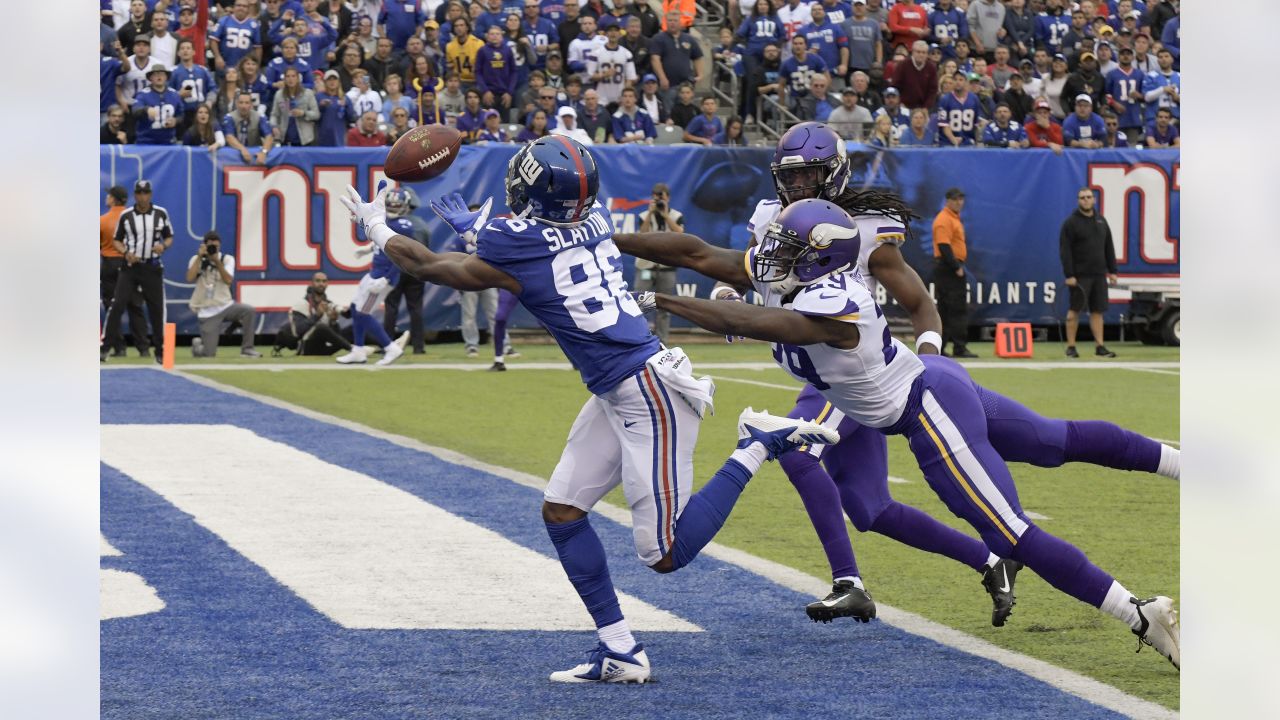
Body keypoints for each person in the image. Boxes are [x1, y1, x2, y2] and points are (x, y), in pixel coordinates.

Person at [340, 136, 837, 683]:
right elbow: (526, 244)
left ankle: (755, 445)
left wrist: (379, 228)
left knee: (665, 553)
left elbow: (433, 265)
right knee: (561, 510)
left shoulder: (514, 237)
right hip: (618, 387)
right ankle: (621, 650)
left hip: (650, 392)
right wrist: (478, 232)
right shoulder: (595, 217)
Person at [616, 194, 1180, 673]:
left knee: (1012, 534)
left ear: (818, 260)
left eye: (786, 249)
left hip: (926, 407)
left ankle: (1139, 612)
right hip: (910, 390)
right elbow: (713, 270)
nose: (769, 255)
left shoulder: (838, 302)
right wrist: (609, 243)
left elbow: (750, 323)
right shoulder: (802, 284)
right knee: (1047, 444)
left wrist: (650, 298)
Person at [101, 180, 172, 365]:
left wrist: (162, 245)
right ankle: (105, 347)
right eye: (139, 193)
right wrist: (125, 252)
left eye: (145, 193)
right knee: (117, 305)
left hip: (152, 265)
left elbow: (169, 236)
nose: (142, 196)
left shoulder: (160, 213)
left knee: (156, 308)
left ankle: (160, 349)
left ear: (150, 194)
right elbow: (117, 240)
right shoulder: (126, 216)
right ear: (134, 195)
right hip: (130, 267)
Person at [1060, 187, 1119, 358]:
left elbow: (1109, 247)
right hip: (1079, 276)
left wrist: (1112, 271)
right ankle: (1071, 347)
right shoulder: (1070, 223)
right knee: (1074, 311)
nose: (1085, 200)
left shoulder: (1101, 221)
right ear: (1078, 201)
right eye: (1082, 197)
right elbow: (1065, 251)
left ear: (1094, 199)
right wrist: (1069, 275)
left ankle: (1100, 347)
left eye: (1088, 197)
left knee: (1098, 311)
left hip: (1099, 275)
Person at [184, 231, 263, 358]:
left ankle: (247, 349)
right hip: (207, 310)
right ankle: (198, 346)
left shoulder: (227, 259)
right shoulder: (196, 259)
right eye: (210, 246)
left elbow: (228, 280)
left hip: (226, 305)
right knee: (208, 354)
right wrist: (200, 257)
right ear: (204, 245)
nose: (213, 249)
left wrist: (217, 261)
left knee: (249, 311)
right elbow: (189, 278)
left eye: (216, 246)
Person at [632, 183, 685, 344]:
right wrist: (650, 213)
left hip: (667, 267)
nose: (659, 200)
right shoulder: (643, 215)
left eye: (661, 197)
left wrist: (665, 214)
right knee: (639, 305)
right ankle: (638, 340)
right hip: (646, 266)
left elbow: (680, 234)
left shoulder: (676, 215)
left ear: (668, 198)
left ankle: (662, 342)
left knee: (665, 308)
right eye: (655, 197)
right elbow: (641, 235)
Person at [100, 185, 148, 359]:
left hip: (110, 264)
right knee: (135, 306)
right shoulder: (134, 218)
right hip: (131, 263)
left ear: (113, 199)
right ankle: (143, 348)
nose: (107, 198)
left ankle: (119, 347)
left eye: (109, 196)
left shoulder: (102, 220)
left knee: (113, 308)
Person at [381, 188, 431, 355]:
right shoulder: (421, 224)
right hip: (416, 269)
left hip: (394, 268)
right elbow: (426, 248)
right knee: (415, 308)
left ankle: (387, 344)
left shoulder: (387, 223)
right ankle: (419, 346)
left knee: (391, 307)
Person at [932, 187, 975, 358]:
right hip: (949, 268)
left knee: (947, 310)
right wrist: (956, 266)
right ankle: (959, 347)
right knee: (955, 309)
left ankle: (942, 348)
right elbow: (943, 246)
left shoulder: (952, 218)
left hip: (948, 267)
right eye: (956, 199)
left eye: (961, 199)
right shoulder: (944, 219)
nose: (959, 202)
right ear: (947, 200)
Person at [278, 272, 355, 357]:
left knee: (353, 329)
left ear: (327, 284)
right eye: (318, 281)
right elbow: (297, 332)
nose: (321, 284)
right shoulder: (301, 304)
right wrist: (317, 315)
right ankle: (353, 350)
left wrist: (334, 322)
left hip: (324, 347)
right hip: (305, 347)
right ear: (312, 283)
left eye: (324, 281)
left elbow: (337, 337)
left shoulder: (328, 305)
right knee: (321, 327)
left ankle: (366, 348)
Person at [648, 9, 704, 105]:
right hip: (668, 86)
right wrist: (662, 78)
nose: (672, 23)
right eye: (670, 20)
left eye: (675, 20)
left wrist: (700, 75)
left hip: (686, 86)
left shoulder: (689, 38)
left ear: (680, 22)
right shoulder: (658, 38)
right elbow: (655, 59)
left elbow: (697, 57)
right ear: (665, 22)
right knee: (669, 113)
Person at [133, 65, 184, 145]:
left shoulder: (174, 94)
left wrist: (175, 121)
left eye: (162, 74)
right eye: (156, 74)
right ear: (151, 78)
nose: (159, 76)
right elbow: (135, 112)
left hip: (168, 141)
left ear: (166, 77)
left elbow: (181, 115)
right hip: (146, 141)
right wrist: (146, 110)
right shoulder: (143, 94)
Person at [271, 66, 321, 146]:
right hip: (285, 139)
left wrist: (303, 113)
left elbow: (316, 114)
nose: (290, 79)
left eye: (293, 76)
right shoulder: (279, 95)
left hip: (305, 140)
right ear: (284, 79)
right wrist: (274, 126)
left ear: (298, 78)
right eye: (288, 76)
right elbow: (274, 115)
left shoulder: (308, 93)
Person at [222, 91, 276, 164]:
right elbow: (229, 137)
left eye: (247, 103)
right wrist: (242, 149)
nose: (243, 106)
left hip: (255, 156)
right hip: (233, 157)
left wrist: (264, 152)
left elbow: (269, 136)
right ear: (236, 104)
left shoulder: (259, 117)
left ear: (251, 105)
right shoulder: (229, 117)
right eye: (241, 102)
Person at [213, 0, 263, 73]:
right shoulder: (223, 21)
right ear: (234, 7)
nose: (241, 8)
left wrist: (257, 64)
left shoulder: (254, 25)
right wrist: (217, 57)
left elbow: (258, 47)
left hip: (244, 68)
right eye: (238, 5)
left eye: (244, 6)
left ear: (248, 9)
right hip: (224, 64)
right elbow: (213, 40)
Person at [890, 40, 937, 112]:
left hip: (923, 108)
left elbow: (932, 90)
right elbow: (895, 86)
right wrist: (900, 103)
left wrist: (926, 107)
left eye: (923, 52)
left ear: (927, 54)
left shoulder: (931, 67)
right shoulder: (903, 65)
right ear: (912, 52)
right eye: (918, 52)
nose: (921, 55)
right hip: (904, 106)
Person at [315, 70, 355, 146]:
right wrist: (321, 106)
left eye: (334, 79)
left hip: (340, 136)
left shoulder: (344, 97)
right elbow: (314, 117)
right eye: (329, 79)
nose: (332, 82)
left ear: (339, 82)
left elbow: (351, 117)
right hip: (323, 136)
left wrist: (346, 106)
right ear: (325, 82)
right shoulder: (319, 96)